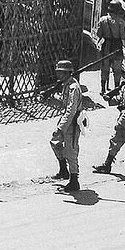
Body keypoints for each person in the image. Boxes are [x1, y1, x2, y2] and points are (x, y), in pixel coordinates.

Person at [45, 59, 83, 192]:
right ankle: (63, 170)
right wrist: (52, 99)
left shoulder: (73, 87)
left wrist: (61, 127)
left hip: (71, 122)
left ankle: (74, 180)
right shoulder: (66, 85)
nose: (58, 75)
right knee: (55, 142)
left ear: (67, 73)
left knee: (71, 151)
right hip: (66, 120)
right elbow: (64, 103)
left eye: (60, 72)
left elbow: (71, 110)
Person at [95, 0, 125, 94]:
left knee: (105, 68)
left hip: (106, 46)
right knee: (117, 70)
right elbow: (123, 36)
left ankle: (103, 89)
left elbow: (98, 34)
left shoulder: (103, 20)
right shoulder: (121, 22)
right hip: (117, 46)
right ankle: (116, 89)